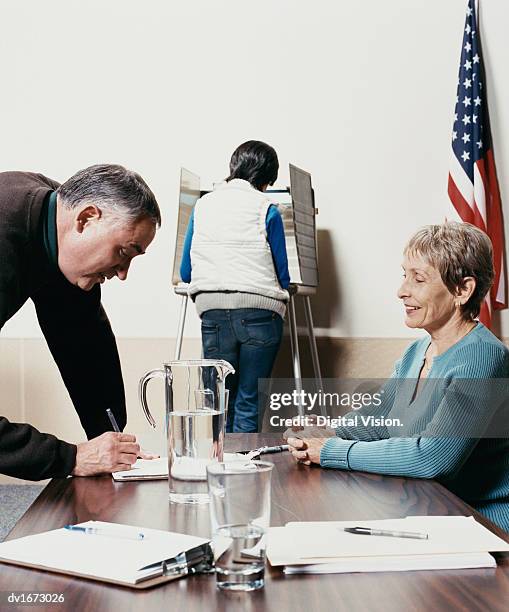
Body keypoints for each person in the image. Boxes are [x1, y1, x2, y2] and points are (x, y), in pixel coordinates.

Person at [286, 222, 509, 532]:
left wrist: (329, 450)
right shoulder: (416, 351)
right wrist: (327, 429)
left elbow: (433, 457)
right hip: (430, 505)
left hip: (481, 521)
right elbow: (381, 418)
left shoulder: (482, 357)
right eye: (405, 275)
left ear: (463, 290)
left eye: (418, 279)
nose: (402, 291)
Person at [0, 164, 161, 480]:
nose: (123, 273)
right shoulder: (6, 234)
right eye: (123, 252)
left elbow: (85, 341)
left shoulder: (56, 217)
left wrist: (113, 443)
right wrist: (68, 458)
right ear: (87, 219)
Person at [180, 141, 290, 432]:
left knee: (218, 400)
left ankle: (219, 466)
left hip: (212, 313)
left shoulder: (202, 206)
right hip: (260, 313)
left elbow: (185, 271)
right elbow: (283, 275)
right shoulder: (268, 208)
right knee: (249, 400)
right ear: (268, 179)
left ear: (234, 168)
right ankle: (244, 468)